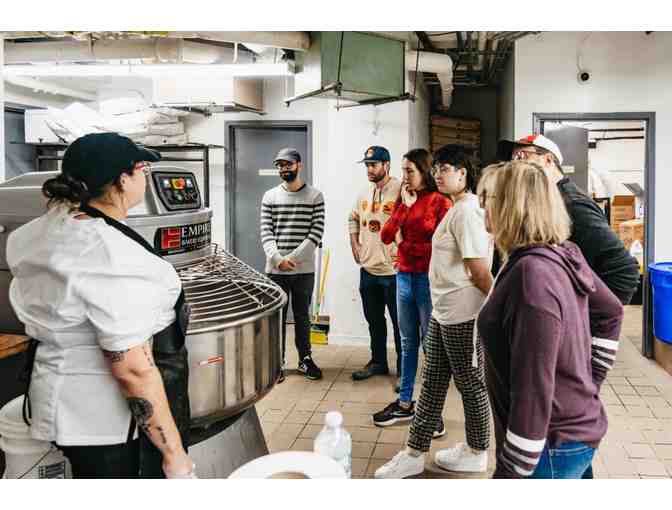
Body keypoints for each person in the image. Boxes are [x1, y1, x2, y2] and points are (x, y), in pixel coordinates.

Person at [7, 133, 196, 478]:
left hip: (53, 398)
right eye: (141, 169)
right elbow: (132, 369)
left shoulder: (32, 234)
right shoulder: (111, 256)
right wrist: (173, 453)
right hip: (107, 424)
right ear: (123, 180)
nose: (145, 177)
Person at [476, 160, 624, 478]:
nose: (481, 208)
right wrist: (587, 383)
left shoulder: (532, 276)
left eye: (486, 199)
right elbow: (611, 311)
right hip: (573, 429)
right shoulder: (560, 251)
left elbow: (534, 385)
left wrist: (512, 472)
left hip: (551, 442)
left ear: (509, 206)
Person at [375, 146, 494, 478]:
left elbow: (479, 269)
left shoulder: (468, 211)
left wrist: (499, 308)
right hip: (443, 312)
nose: (438, 174)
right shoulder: (456, 209)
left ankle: (477, 450)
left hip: (463, 313)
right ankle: (414, 452)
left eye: (445, 169)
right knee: (432, 383)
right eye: (437, 168)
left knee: (471, 384)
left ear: (463, 174)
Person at [497, 134, 640, 305]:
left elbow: (624, 271)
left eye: (522, 156)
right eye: (512, 159)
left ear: (548, 160)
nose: (515, 165)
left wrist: (586, 316)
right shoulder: (547, 201)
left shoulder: (573, 205)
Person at [372, 149, 451, 433]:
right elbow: (385, 235)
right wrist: (404, 207)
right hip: (404, 277)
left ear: (425, 172)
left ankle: (433, 411)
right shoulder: (404, 199)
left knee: (432, 347)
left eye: (409, 171)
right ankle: (405, 403)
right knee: (407, 344)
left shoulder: (441, 202)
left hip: (429, 281)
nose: (404, 177)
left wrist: (408, 245)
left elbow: (443, 246)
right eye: (403, 170)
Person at [260, 147, 325, 382]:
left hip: (303, 270)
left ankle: (304, 359)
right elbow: (266, 231)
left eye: (287, 164)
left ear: (299, 165)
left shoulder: (315, 196)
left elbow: (316, 232)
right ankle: (277, 364)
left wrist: (293, 259)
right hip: (275, 270)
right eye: (280, 165)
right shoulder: (270, 196)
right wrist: (278, 259)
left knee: (301, 316)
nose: (283, 169)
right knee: (276, 317)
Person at [348, 146, 402, 381]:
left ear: (386, 165)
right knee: (374, 320)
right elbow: (353, 217)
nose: (370, 169)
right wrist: (354, 244)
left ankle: (404, 369)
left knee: (401, 325)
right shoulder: (363, 192)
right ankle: (378, 361)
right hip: (368, 270)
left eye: (374, 164)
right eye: (367, 165)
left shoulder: (401, 190)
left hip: (394, 272)